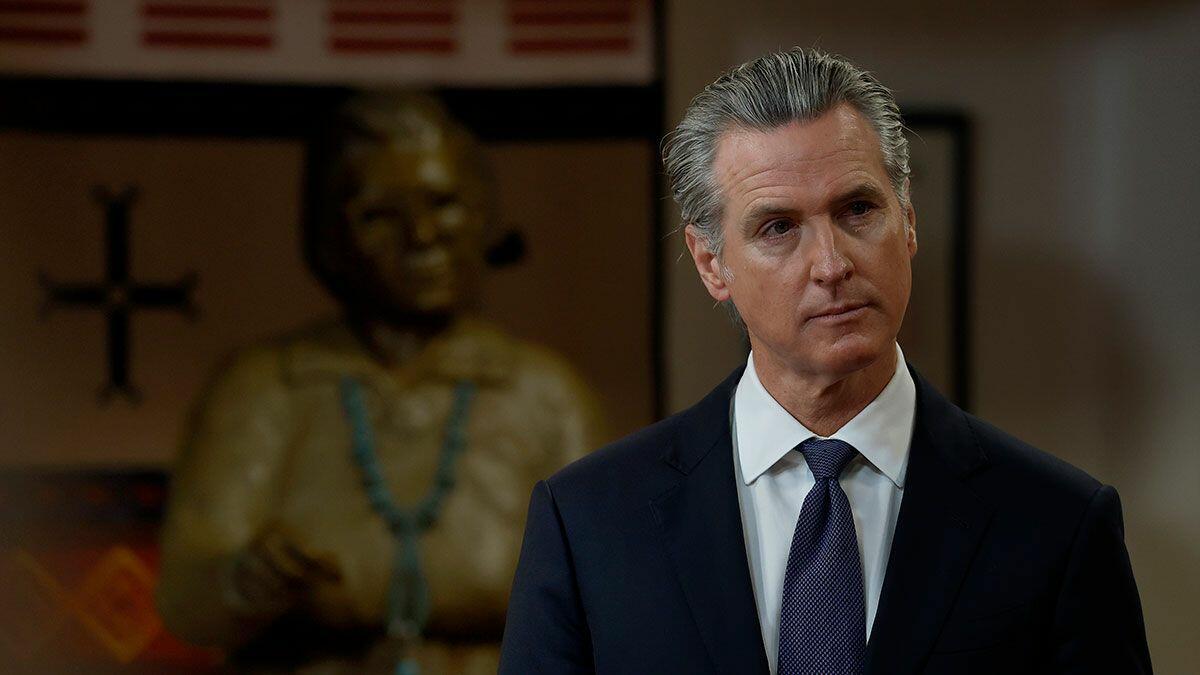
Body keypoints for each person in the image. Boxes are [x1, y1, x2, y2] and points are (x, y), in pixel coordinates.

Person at [498, 48, 1152, 674]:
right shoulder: (589, 520)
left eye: (858, 209)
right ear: (711, 263)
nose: (832, 264)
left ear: (909, 222)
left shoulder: (1058, 522)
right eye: (778, 227)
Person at [156, 94, 605, 674]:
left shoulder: (545, 395)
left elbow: (613, 597)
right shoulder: (267, 388)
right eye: (379, 215)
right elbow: (186, 602)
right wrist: (248, 579)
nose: (421, 235)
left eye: (443, 204)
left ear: (483, 216)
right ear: (329, 236)